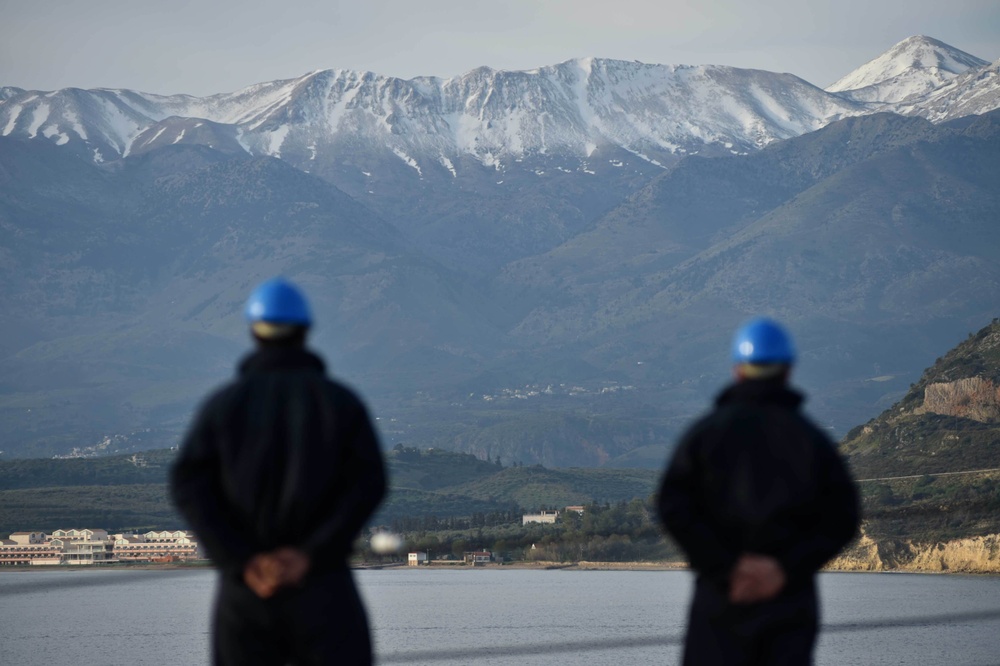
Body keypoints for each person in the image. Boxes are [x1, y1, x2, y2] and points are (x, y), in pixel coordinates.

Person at [171, 277, 387, 666]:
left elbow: (189, 485)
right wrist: (310, 555)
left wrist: (242, 560)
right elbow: (369, 484)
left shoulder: (222, 406)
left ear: (255, 332)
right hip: (323, 588)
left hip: (246, 594)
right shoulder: (340, 404)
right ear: (305, 331)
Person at [657, 317, 859, 666]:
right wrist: (784, 569)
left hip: (722, 600)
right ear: (788, 370)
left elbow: (672, 506)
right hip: (789, 602)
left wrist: (726, 568)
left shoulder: (705, 435)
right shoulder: (812, 439)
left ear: (738, 369)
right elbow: (843, 518)